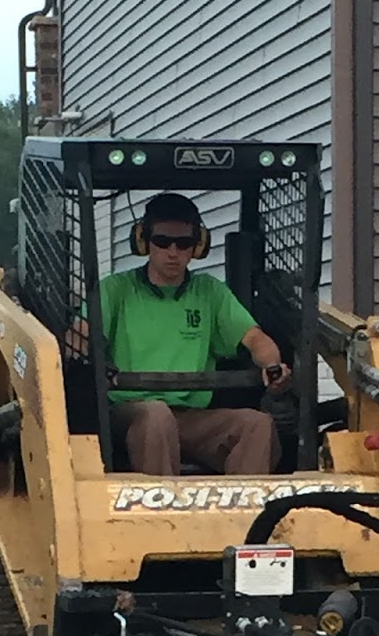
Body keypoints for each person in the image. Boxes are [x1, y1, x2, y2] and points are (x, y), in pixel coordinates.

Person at [99, 192, 291, 475]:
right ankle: (160, 515)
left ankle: (246, 516)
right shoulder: (116, 290)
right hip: (131, 412)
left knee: (257, 425)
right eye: (162, 241)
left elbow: (254, 338)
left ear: (198, 245)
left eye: (184, 243)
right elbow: (81, 336)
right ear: (143, 241)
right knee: (156, 415)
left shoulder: (210, 292)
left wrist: (272, 366)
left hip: (193, 416)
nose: (173, 252)